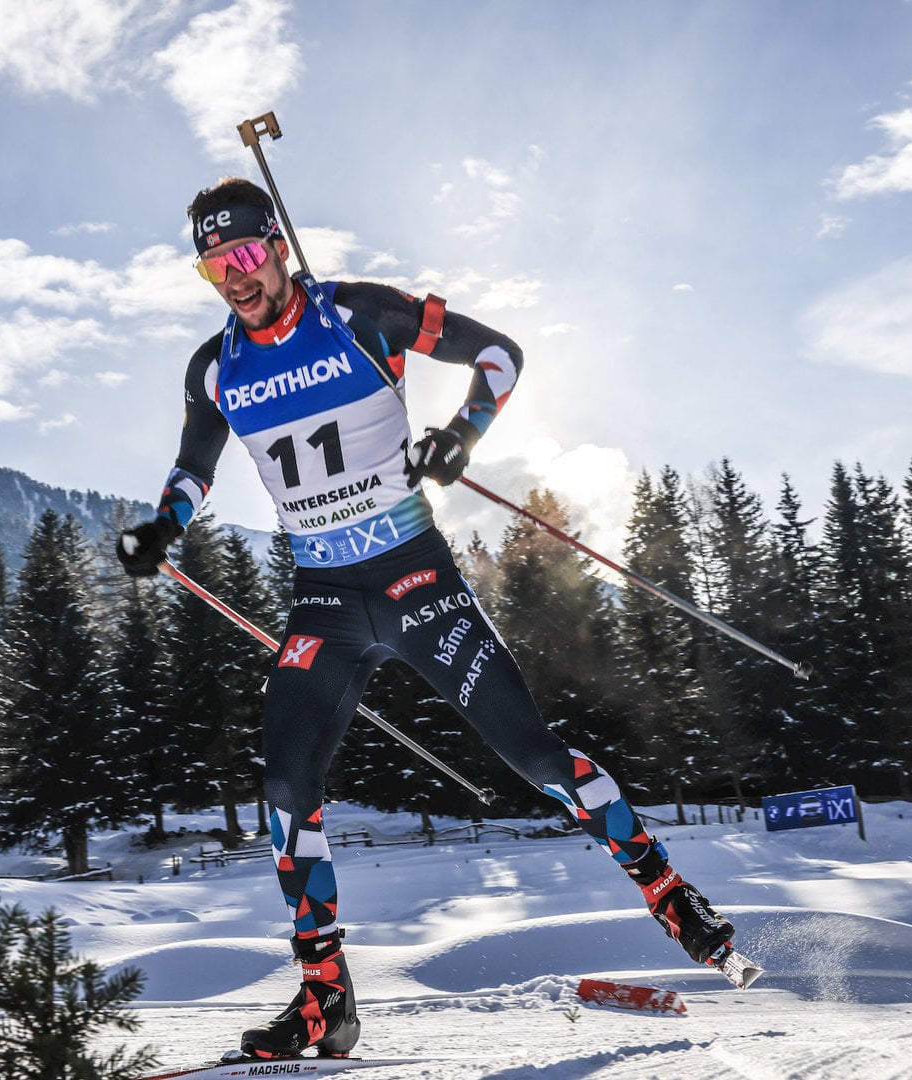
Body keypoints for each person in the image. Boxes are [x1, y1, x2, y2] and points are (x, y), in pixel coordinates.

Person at [117, 177, 737, 1060]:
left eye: (247, 254)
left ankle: (670, 890)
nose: (234, 276)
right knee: (287, 796)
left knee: (532, 756)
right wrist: (162, 527)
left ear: (279, 248)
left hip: (415, 581)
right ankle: (326, 1004)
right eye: (214, 264)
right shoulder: (213, 366)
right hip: (323, 603)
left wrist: (463, 433)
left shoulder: (365, 315)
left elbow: (501, 356)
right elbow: (193, 466)